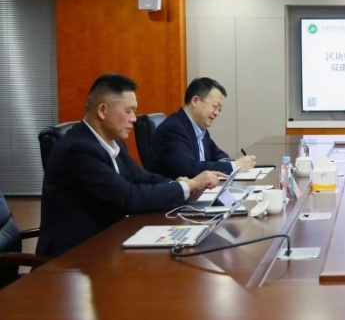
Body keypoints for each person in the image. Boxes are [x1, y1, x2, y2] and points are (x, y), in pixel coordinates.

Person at [37, 74, 221, 257]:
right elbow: (127, 197)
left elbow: (142, 177)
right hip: (74, 257)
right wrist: (188, 186)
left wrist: (179, 184)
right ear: (103, 111)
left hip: (109, 241)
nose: (134, 118)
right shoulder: (79, 149)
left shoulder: (113, 143)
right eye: (128, 111)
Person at [150, 77, 255, 179]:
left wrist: (229, 163)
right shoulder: (174, 128)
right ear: (195, 101)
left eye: (219, 109)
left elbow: (216, 153)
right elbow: (187, 168)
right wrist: (233, 166)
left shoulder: (199, 127)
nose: (216, 113)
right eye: (214, 106)